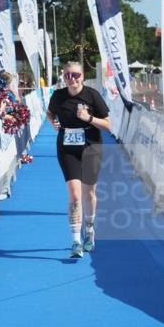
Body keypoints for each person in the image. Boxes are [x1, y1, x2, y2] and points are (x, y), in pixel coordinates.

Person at [46, 62, 111, 258]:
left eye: (75, 75)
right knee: (75, 195)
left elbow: (108, 125)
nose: (71, 79)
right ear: (63, 77)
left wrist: (88, 118)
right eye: (67, 75)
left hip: (91, 147)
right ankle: (75, 240)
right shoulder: (58, 96)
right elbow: (50, 113)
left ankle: (89, 230)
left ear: (82, 76)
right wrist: (53, 122)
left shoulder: (92, 96)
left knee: (89, 192)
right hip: (67, 148)